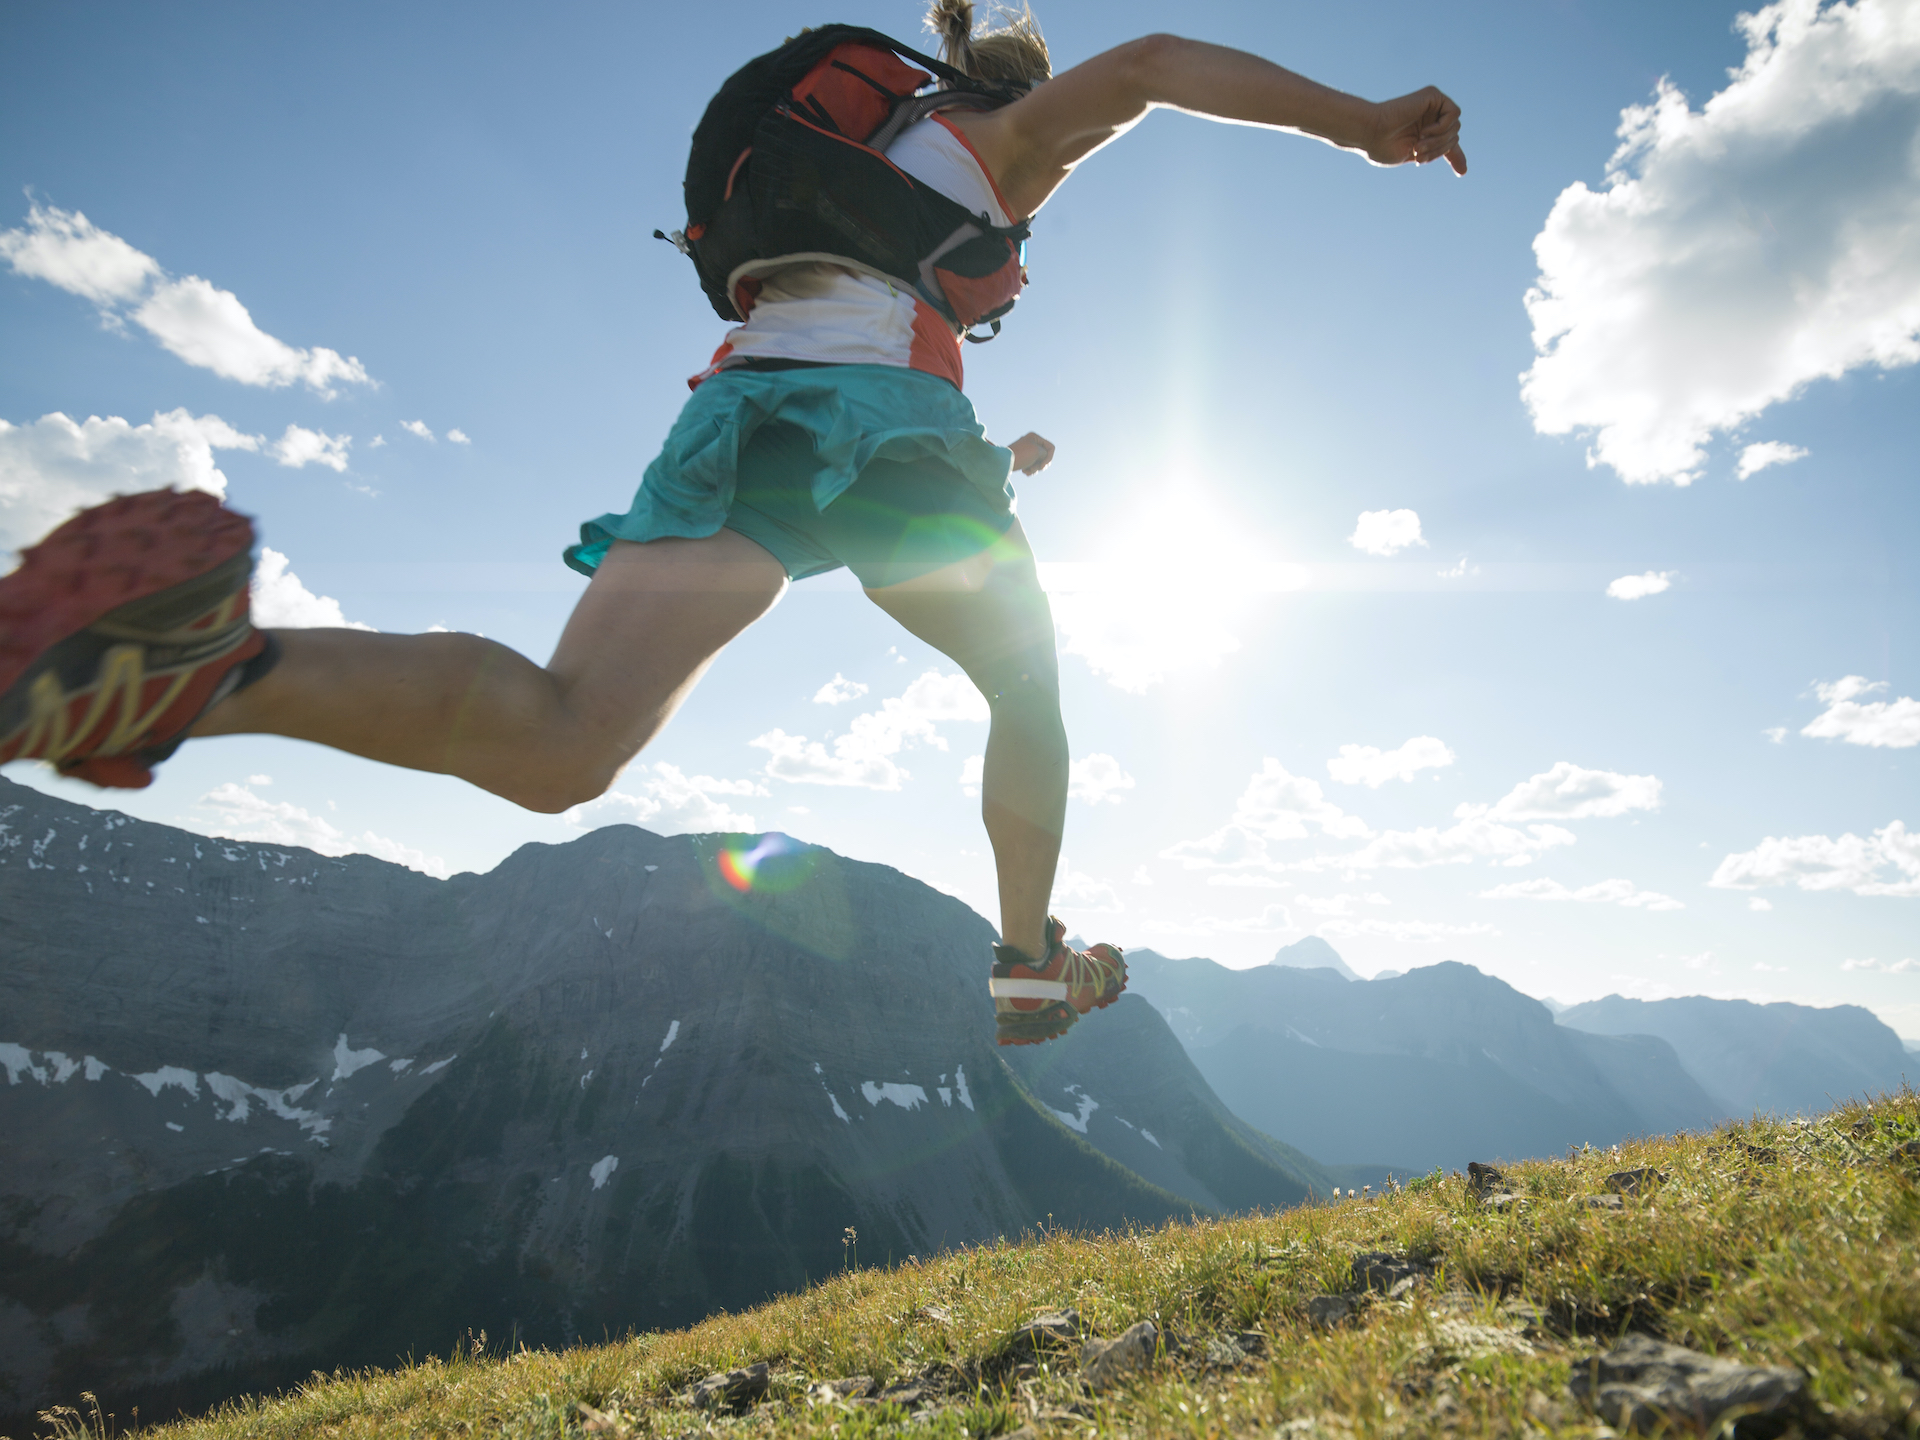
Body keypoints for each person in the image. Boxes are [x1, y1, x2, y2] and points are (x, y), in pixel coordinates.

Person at [0, 1, 1464, 1047]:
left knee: (564, 737)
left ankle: (201, 663)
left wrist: (980, 451)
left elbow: (857, 339)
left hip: (742, 423)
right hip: (883, 435)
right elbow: (1143, 66)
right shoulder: (1004, 141)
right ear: (1008, 92)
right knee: (1028, 694)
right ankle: (1028, 962)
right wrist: (1361, 127)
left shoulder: (842, 156)